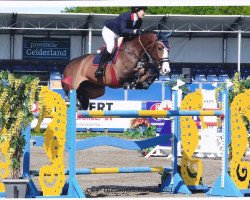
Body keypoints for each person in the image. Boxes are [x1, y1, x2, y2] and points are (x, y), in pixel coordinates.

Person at [95, 6, 148, 78]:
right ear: (136, 10)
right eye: (143, 11)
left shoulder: (139, 21)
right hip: (110, 31)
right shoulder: (126, 15)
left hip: (120, 34)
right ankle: (100, 69)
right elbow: (123, 29)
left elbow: (133, 34)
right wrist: (135, 31)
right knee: (111, 46)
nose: (144, 13)